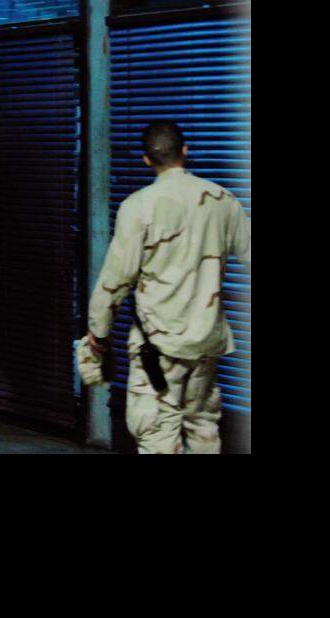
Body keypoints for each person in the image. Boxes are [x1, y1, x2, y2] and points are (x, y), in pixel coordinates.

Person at [86, 121, 251, 454]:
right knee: (203, 429)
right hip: (207, 341)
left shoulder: (139, 205)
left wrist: (98, 332)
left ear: (146, 160)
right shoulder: (223, 200)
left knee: (156, 435)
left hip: (159, 343)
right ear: (185, 152)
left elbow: (116, 279)